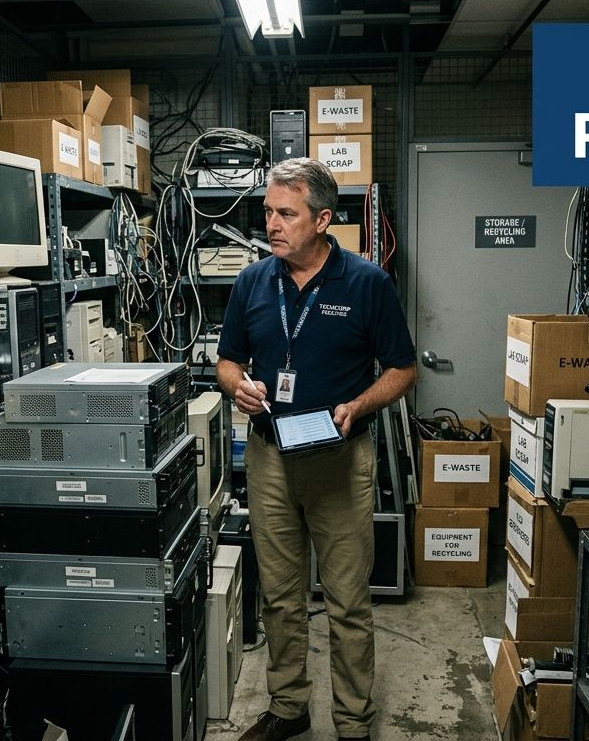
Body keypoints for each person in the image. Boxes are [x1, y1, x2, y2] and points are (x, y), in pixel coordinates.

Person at [216, 158, 416, 741]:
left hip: (340, 458)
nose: (272, 225)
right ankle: (288, 708)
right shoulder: (254, 281)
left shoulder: (366, 283)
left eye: (286, 213)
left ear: (324, 219)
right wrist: (238, 387)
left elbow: (402, 370)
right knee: (280, 598)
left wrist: (359, 405)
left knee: (348, 603)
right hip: (270, 456)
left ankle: (353, 722)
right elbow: (227, 361)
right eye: (268, 213)